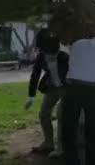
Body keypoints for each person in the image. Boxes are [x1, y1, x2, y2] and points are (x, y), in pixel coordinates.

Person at [62, 24, 95, 165]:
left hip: (74, 88)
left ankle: (72, 161)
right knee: (92, 131)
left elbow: (71, 62)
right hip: (94, 90)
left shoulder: (77, 44)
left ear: (90, 37)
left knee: (68, 129)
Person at [25, 29, 69, 157]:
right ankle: (48, 142)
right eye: (42, 51)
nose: (43, 53)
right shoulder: (41, 56)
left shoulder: (65, 56)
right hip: (52, 87)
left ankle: (61, 147)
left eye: (45, 51)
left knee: (61, 115)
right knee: (43, 113)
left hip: (67, 88)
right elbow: (35, 75)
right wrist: (31, 96)